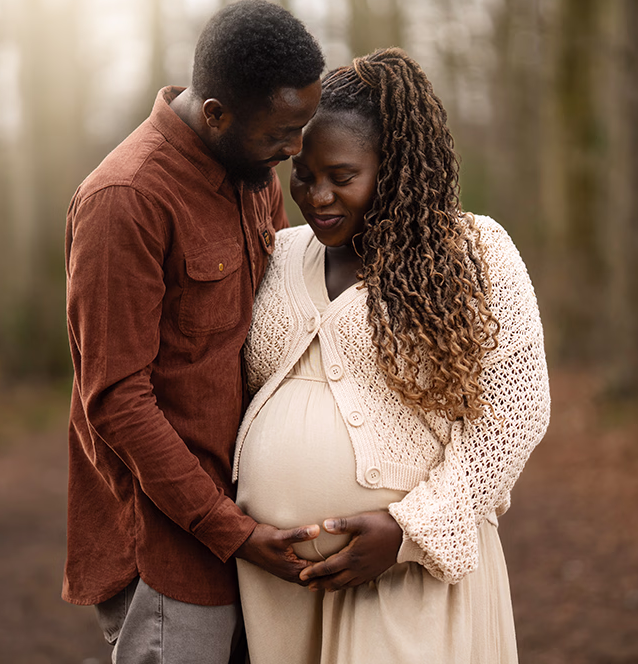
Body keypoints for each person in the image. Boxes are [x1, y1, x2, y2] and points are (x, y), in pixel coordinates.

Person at [232, 48, 551, 663]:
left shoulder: (473, 252)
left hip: (407, 578)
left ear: (396, 169)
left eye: (342, 176)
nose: (316, 195)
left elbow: (514, 415)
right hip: (278, 592)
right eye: (303, 173)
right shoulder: (276, 255)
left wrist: (408, 533)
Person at [62, 0, 327, 663]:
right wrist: (227, 530)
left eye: (303, 128)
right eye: (279, 135)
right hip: (170, 545)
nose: (295, 152)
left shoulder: (252, 174)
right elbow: (117, 400)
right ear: (217, 115)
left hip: (248, 523)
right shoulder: (125, 201)